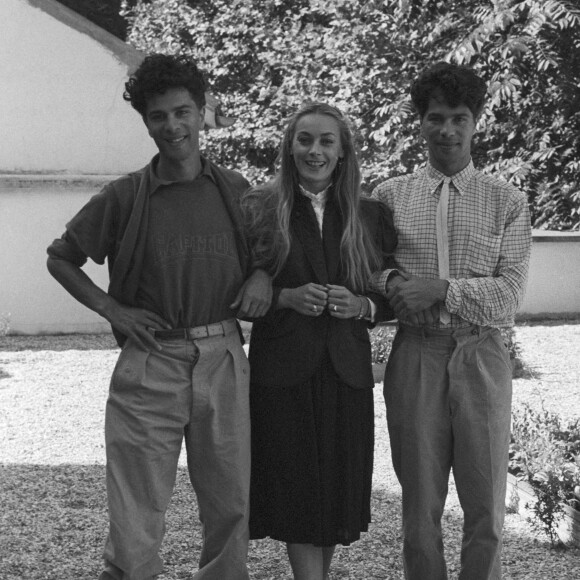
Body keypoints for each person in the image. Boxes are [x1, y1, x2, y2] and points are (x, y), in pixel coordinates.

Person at [46, 54, 271, 580]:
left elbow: (270, 255)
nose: (172, 126)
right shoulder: (124, 198)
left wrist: (262, 275)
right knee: (137, 507)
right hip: (150, 361)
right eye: (158, 116)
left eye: (182, 111)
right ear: (145, 121)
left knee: (231, 501)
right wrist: (109, 307)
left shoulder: (236, 190)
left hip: (223, 358)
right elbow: (61, 257)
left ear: (201, 112)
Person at [369, 62, 532, 580]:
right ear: (419, 121)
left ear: (476, 121)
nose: (448, 130)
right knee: (419, 503)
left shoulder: (507, 200)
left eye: (460, 118)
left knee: (485, 503)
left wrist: (441, 289)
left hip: (482, 354)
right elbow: (368, 266)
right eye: (436, 117)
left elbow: (508, 297)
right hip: (416, 351)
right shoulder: (390, 196)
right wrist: (392, 282)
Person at [242, 102, 397, 580]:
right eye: (304, 140)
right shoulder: (259, 208)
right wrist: (285, 295)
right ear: (289, 148)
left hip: (346, 371)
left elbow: (392, 290)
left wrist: (364, 307)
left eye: (326, 141)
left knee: (333, 493)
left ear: (343, 151)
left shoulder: (370, 214)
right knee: (297, 491)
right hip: (283, 369)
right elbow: (241, 286)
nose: (315, 150)